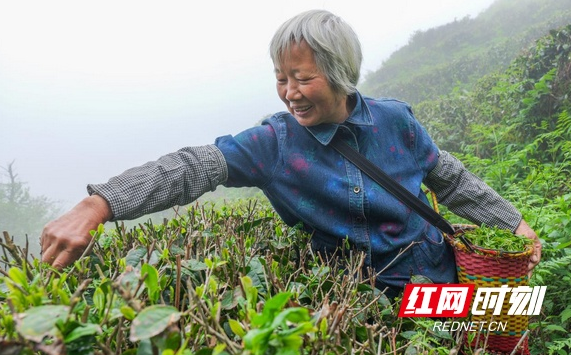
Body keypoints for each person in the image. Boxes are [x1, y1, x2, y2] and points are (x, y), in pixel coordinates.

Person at [41, 10, 541, 298]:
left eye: (303, 78)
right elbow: (194, 166)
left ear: (342, 73)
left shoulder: (396, 122)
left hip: (437, 279)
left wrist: (512, 223)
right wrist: (99, 203)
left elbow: (449, 180)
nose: (290, 93)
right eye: (281, 79)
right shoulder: (273, 145)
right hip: (365, 299)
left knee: (504, 328)